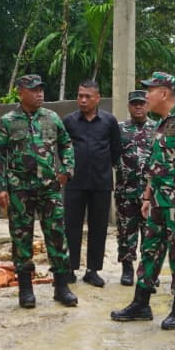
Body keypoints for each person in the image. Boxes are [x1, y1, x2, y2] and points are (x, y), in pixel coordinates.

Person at [110, 72, 175, 330]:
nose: (146, 96)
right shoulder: (163, 122)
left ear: (165, 93)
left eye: (151, 90)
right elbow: (155, 164)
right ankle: (141, 303)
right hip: (158, 200)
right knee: (150, 249)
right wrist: (147, 196)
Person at [0, 75, 78, 308]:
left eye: (41, 89)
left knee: (57, 236)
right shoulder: (8, 121)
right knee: (21, 238)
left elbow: (66, 143)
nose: (39, 93)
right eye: (33, 90)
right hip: (20, 190)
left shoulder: (52, 118)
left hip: (49, 188)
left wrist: (67, 169)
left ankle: (61, 287)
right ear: (21, 92)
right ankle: (26, 290)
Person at [63, 79, 122, 287]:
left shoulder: (109, 121)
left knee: (98, 228)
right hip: (74, 183)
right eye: (80, 95)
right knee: (71, 227)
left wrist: (105, 169)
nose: (83, 100)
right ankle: (69, 268)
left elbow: (116, 150)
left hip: (101, 184)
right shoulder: (69, 121)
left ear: (98, 98)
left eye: (88, 96)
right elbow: (62, 149)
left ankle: (93, 270)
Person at [115, 90, 155, 286]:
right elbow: (111, 154)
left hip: (151, 193)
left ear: (147, 105)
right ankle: (127, 269)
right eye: (134, 104)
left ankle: (148, 272)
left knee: (151, 233)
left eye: (141, 103)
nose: (138, 107)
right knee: (125, 231)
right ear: (129, 106)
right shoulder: (118, 128)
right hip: (126, 191)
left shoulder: (159, 128)